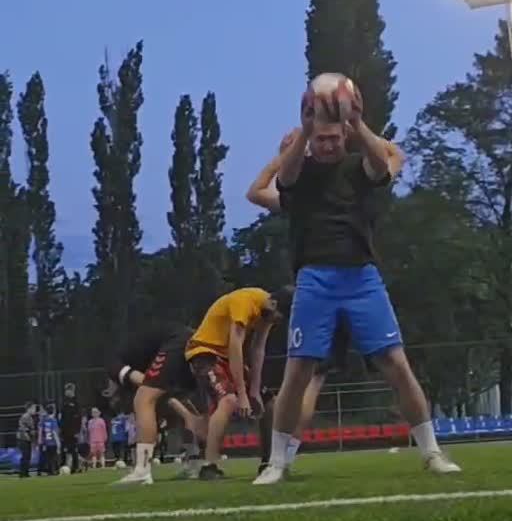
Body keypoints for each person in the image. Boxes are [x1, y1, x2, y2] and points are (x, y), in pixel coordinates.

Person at [255, 91, 461, 485]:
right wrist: (305, 129)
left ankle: (432, 452)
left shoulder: (359, 168)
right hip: (314, 279)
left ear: (345, 137)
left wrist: (357, 121)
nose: (328, 145)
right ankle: (277, 463)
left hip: (362, 279)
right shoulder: (300, 171)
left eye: (334, 138)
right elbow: (284, 177)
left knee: (397, 365)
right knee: (297, 372)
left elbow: (385, 163)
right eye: (321, 138)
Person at [246, 130, 404, 472]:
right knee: (311, 382)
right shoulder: (305, 193)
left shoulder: (326, 186)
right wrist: (351, 130)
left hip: (335, 287)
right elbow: (396, 154)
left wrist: (286, 155)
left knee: (304, 381)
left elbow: (256, 191)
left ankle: (282, 457)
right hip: (339, 287)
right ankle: (284, 455)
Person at [184, 287, 288, 481]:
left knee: (268, 403)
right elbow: (235, 345)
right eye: (278, 317)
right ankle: (209, 465)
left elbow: (258, 349)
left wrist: (254, 390)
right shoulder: (244, 301)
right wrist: (242, 394)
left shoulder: (267, 312)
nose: (276, 322)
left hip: (226, 356)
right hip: (204, 352)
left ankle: (268, 463)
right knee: (229, 400)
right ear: (273, 304)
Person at [108, 323, 203, 486]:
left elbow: (145, 383)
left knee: (143, 399)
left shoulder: (113, 366)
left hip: (177, 341)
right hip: (192, 340)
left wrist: (186, 414)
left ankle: (142, 470)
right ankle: (193, 465)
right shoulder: (140, 358)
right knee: (173, 409)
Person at [59, 382, 82, 473]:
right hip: (64, 430)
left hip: (73, 431)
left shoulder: (76, 402)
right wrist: (60, 429)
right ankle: (63, 466)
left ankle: (75, 467)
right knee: (64, 449)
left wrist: (77, 431)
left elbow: (79, 418)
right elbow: (62, 416)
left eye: (68, 390)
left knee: (73, 449)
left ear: (72, 391)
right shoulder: (63, 402)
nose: (66, 392)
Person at [38, 403, 61, 476]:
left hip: (46, 443)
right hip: (53, 442)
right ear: (53, 411)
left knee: (48, 458)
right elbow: (54, 432)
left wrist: (41, 441)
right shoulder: (53, 420)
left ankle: (48, 471)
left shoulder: (44, 420)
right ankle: (53, 471)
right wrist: (58, 443)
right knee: (54, 458)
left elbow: (40, 430)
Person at [17, 402, 37, 478]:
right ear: (29, 409)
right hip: (23, 439)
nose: (35, 410)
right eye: (34, 408)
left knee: (28, 456)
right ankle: (22, 473)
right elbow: (22, 428)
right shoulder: (25, 417)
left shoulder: (30, 417)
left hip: (27, 439)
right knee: (25, 456)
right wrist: (29, 435)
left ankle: (25, 473)